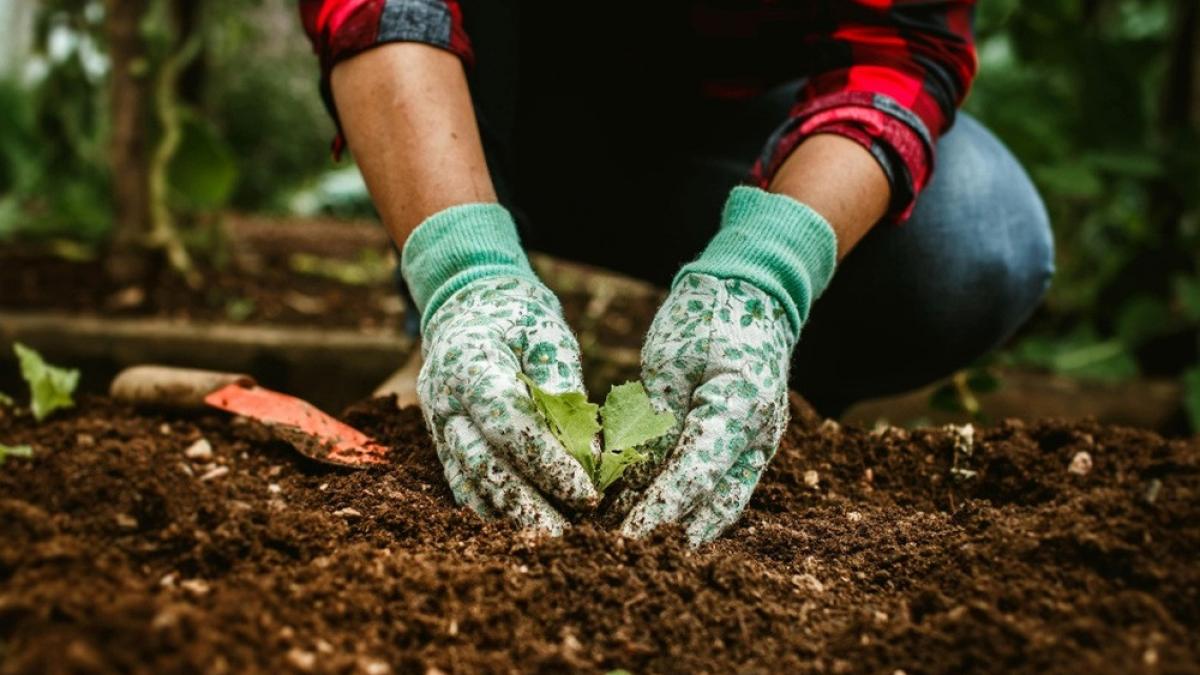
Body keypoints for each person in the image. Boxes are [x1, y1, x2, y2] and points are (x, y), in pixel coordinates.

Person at [299, 1, 1054, 545]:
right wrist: (465, 273)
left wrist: (762, 276)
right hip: (492, 109)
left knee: (978, 233)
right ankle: (451, 339)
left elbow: (898, 49)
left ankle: (753, 387)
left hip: (742, 132)